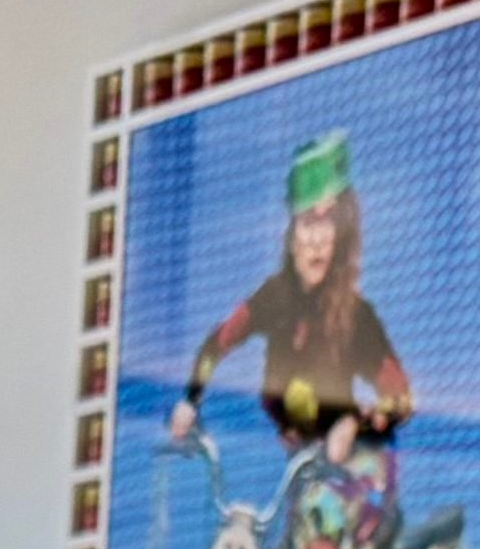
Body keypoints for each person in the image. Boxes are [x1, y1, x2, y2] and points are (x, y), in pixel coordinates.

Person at [168, 128, 411, 473]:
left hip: (359, 482)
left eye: (330, 225)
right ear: (292, 231)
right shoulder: (274, 298)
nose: (318, 241)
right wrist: (190, 402)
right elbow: (215, 345)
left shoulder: (358, 318)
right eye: (308, 223)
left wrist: (356, 426)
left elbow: (400, 398)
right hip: (301, 474)